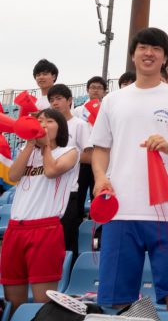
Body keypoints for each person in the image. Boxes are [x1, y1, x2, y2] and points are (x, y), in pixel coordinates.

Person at [90, 27, 168, 311]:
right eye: (143, 48)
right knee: (116, 297)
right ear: (133, 55)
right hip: (120, 211)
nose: (149, 53)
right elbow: (100, 148)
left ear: (164, 58)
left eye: (156, 49)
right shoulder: (113, 100)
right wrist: (101, 177)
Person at [2, 109, 78, 314]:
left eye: (49, 120)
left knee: (41, 303)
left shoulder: (69, 151)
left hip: (45, 229)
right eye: (39, 121)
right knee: (13, 302)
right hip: (15, 229)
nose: (42, 124)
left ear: (60, 127)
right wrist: (29, 144)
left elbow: (52, 171)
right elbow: (13, 175)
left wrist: (45, 146)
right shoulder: (26, 151)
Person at [48, 84, 92, 257]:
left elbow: (90, 156)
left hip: (72, 185)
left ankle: (68, 272)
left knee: (67, 238)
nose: (55, 103)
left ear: (70, 101)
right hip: (50, 188)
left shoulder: (79, 125)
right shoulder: (49, 126)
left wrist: (67, 156)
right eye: (51, 100)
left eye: (59, 99)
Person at [72, 76, 107, 213]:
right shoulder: (78, 111)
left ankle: (96, 226)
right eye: (93, 87)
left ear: (104, 91)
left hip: (101, 156)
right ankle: (77, 220)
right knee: (79, 192)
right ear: (87, 90)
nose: (96, 90)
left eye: (99, 88)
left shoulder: (107, 108)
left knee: (97, 192)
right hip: (82, 156)